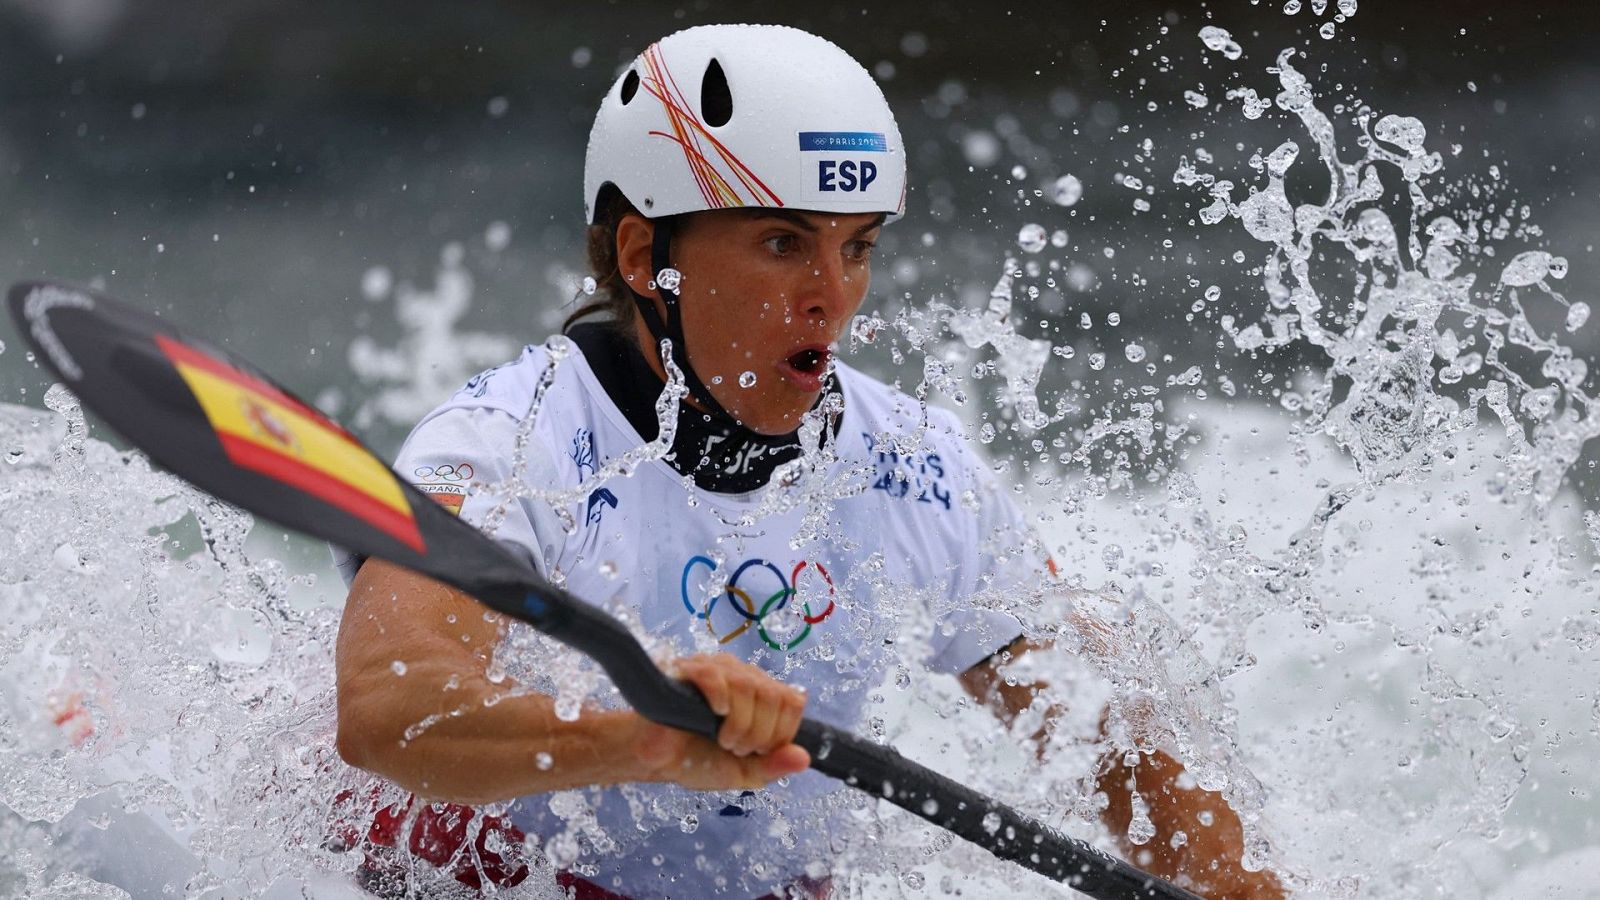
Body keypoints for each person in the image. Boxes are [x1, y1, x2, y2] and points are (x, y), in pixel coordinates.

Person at [333, 23, 1283, 900]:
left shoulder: (916, 463)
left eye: (858, 247)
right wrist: (642, 738)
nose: (834, 297)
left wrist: (1236, 886)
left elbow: (1099, 733)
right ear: (640, 253)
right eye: (785, 244)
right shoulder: (507, 441)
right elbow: (386, 704)